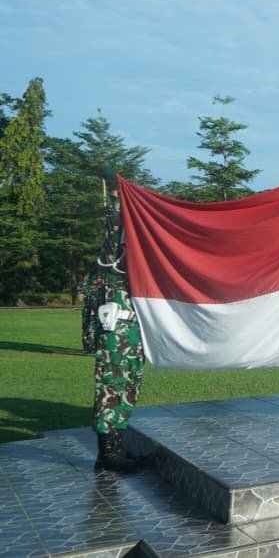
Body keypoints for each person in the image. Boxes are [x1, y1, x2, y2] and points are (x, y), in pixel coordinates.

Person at [81, 188, 145, 472]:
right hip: (113, 332)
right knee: (111, 387)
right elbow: (112, 226)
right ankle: (106, 454)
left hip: (132, 333)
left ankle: (116, 447)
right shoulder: (110, 260)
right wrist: (119, 200)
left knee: (130, 386)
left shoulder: (138, 263)